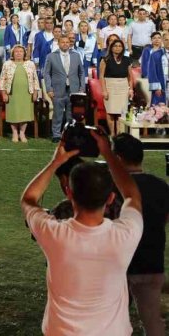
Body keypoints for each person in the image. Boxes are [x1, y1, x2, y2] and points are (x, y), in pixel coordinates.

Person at [21, 129, 143, 336]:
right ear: (111, 198)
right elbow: (132, 195)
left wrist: (56, 162)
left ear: (69, 193)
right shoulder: (126, 235)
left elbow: (28, 199)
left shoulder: (54, 234)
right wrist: (107, 153)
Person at [112, 135, 169, 336]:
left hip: (121, 267)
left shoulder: (113, 187)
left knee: (112, 323)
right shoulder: (160, 185)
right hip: (153, 262)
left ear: (118, 158)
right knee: (153, 322)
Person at [0, 45, 38, 143]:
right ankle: (15, 133)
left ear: (24, 53)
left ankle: (22, 133)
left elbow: (35, 79)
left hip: (27, 93)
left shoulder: (30, 64)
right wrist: (4, 94)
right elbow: (2, 80)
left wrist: (35, 92)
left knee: (24, 113)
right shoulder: (7, 64)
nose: (19, 53)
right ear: (13, 53)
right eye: (16, 51)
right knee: (14, 113)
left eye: (21, 51)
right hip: (12, 93)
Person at [99, 38, 133, 136]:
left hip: (123, 87)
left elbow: (130, 77)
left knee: (121, 112)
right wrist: (104, 90)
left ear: (123, 48)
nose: (118, 48)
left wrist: (131, 89)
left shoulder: (127, 60)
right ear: (111, 47)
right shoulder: (105, 59)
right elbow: (101, 76)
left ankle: (119, 134)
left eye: (120, 46)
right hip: (110, 86)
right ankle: (112, 134)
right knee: (110, 112)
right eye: (115, 46)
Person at [146, 32, 168, 106]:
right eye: (166, 40)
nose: (168, 42)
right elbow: (152, 72)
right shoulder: (155, 54)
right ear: (162, 41)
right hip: (162, 85)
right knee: (160, 109)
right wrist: (156, 87)